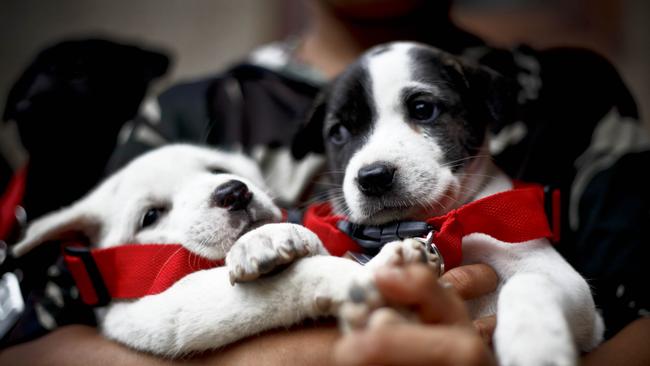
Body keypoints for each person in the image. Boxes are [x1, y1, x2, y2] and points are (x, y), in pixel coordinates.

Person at [1, 0, 648, 364]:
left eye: (422, 111)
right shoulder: (192, 116)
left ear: (490, 113)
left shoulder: (567, 96)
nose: (374, 160)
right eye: (346, 132)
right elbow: (34, 346)